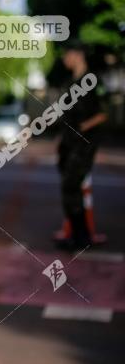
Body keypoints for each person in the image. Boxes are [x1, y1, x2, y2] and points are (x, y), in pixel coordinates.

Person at [54, 43, 107, 251]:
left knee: (71, 185)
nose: (64, 58)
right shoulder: (70, 83)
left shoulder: (93, 81)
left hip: (84, 143)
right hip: (68, 143)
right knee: (70, 189)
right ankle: (78, 235)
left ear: (77, 55)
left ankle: (81, 236)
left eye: (67, 54)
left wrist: (83, 126)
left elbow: (103, 114)